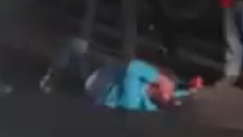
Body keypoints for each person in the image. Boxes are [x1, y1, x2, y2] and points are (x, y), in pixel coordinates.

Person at [40, 36, 200, 111]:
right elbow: (177, 93)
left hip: (94, 85)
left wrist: (160, 78)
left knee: (69, 58)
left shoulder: (133, 100)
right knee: (77, 48)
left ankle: (51, 80)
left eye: (168, 95)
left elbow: (133, 68)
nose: (171, 93)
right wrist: (192, 89)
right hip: (107, 73)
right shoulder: (162, 94)